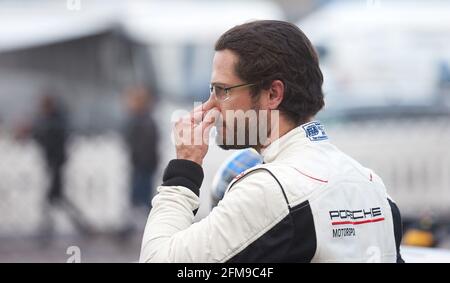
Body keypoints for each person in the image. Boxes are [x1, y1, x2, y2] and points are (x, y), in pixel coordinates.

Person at [140, 20, 404, 263]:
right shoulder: (372, 185)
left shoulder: (271, 190)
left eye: (223, 90)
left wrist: (183, 171)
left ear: (273, 94)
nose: (210, 106)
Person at [123, 86, 159, 214]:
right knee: (141, 195)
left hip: (143, 164)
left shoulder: (142, 121)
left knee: (140, 196)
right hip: (142, 164)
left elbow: (143, 145)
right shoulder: (144, 121)